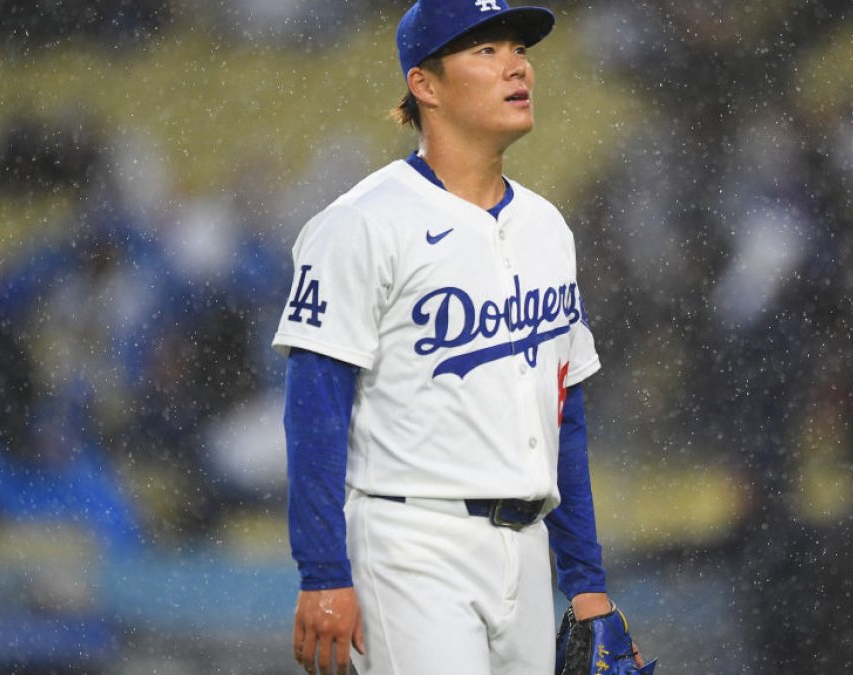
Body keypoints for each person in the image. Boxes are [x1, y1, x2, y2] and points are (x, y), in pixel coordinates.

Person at [271, 1, 643, 673]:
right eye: (486, 51)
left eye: (518, 49)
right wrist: (322, 570)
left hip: (527, 550)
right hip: (412, 541)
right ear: (425, 84)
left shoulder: (547, 228)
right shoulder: (362, 223)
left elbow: (564, 417)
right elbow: (314, 407)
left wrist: (586, 583)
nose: (517, 66)